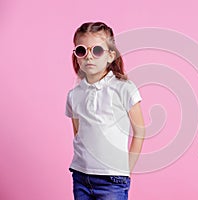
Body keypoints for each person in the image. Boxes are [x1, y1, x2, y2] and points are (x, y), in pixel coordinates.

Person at [65, 22, 145, 200]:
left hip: (112, 180)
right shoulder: (74, 95)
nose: (89, 57)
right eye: (81, 50)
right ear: (76, 56)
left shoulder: (124, 88)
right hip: (80, 175)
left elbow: (140, 132)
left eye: (97, 51)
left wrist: (126, 170)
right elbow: (79, 133)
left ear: (110, 55)